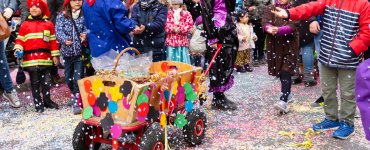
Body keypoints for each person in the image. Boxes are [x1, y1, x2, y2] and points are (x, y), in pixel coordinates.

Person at [272, 0, 370, 139]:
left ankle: (347, 124)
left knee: (348, 94)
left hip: (348, 60)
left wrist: (352, 49)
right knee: (327, 90)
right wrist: (289, 13)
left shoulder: (363, 4)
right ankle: (331, 118)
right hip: (326, 56)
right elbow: (310, 8)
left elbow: (367, 32)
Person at [14, 0, 60, 113]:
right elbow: (20, 40)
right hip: (31, 61)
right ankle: (38, 102)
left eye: (37, 6)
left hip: (45, 59)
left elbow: (53, 42)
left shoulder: (48, 24)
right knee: (34, 83)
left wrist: (55, 55)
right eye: (32, 6)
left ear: (43, 9)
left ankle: (47, 100)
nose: (33, 8)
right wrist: (18, 48)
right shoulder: (25, 25)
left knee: (46, 82)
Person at [199, 0, 238, 110]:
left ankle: (220, 95)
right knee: (217, 67)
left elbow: (229, 7)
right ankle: (218, 98)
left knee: (226, 63)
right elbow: (206, 13)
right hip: (217, 32)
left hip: (226, 30)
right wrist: (212, 38)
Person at [262, 0, 298, 113]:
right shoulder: (270, 8)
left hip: (289, 44)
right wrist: (269, 28)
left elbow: (293, 26)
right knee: (280, 70)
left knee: (285, 69)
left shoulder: (293, 9)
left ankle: (283, 100)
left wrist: (279, 30)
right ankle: (287, 92)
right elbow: (265, 22)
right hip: (274, 45)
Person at [19, 0, 64, 84]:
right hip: (32, 24)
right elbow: (24, 6)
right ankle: (35, 77)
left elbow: (60, 4)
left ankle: (54, 73)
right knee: (35, 49)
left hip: (50, 22)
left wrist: (61, 16)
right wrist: (25, 22)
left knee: (51, 48)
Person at [55, 0, 86, 114]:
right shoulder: (62, 15)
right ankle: (75, 95)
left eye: (80, 0)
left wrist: (85, 35)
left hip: (79, 53)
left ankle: (77, 100)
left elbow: (88, 28)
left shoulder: (84, 14)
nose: (77, 2)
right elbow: (58, 31)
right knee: (68, 78)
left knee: (78, 78)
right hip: (67, 53)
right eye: (74, 0)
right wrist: (64, 39)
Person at [0, 0, 21, 108]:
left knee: (1, 59)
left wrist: (11, 8)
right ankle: (8, 90)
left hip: (2, 20)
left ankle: (9, 90)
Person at [294, 0, 318, 87]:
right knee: (307, 47)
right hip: (306, 19)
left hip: (294, 18)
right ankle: (308, 78)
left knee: (295, 48)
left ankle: (294, 75)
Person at [244, 0, 270, 67]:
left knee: (262, 38)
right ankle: (255, 57)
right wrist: (249, 9)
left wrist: (268, 10)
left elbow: (270, 5)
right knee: (255, 38)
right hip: (254, 18)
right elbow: (246, 6)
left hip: (264, 19)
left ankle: (261, 56)